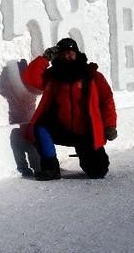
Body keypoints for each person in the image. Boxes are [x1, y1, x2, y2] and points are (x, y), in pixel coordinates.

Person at [21, 38, 117, 180]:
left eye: (70, 53)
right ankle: (51, 167)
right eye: (63, 54)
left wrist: (110, 125)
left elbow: (107, 101)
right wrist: (45, 58)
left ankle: (86, 154)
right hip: (62, 129)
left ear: (77, 53)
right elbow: (32, 78)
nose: (67, 56)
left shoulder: (92, 76)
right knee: (41, 127)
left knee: (98, 172)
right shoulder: (54, 76)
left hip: (86, 133)